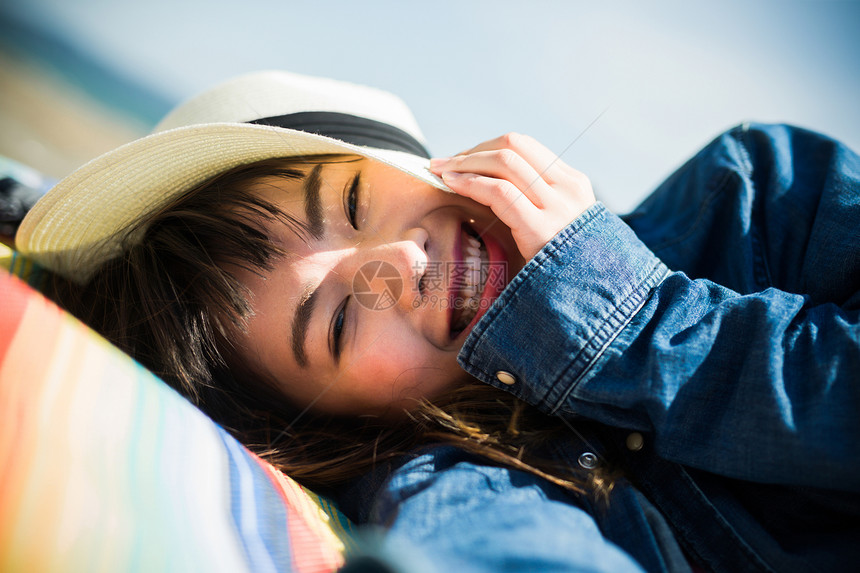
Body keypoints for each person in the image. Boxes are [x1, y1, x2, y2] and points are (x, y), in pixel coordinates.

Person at [16, 71, 860, 572]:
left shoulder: (759, 197)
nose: (405, 264)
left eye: (353, 199)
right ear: (346, 423)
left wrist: (639, 322)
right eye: (340, 323)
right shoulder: (454, 483)